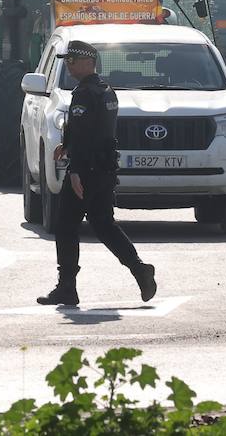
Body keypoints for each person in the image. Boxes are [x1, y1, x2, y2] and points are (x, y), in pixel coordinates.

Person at [37, 40, 157, 307]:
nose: (68, 66)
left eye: (73, 61)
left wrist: (76, 170)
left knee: (66, 225)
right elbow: (94, 129)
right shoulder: (106, 91)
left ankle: (67, 286)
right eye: (66, 61)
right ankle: (139, 269)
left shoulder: (84, 94)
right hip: (103, 168)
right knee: (103, 225)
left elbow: (83, 131)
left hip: (87, 170)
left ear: (89, 62)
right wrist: (66, 145)